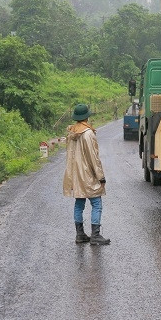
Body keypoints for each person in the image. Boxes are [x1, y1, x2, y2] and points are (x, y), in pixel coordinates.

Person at [63, 103, 110, 245]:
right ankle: (95, 236)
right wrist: (100, 176)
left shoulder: (71, 134)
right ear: (87, 117)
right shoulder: (88, 134)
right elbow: (93, 158)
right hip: (88, 175)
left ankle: (80, 234)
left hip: (75, 175)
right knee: (97, 203)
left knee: (79, 203)